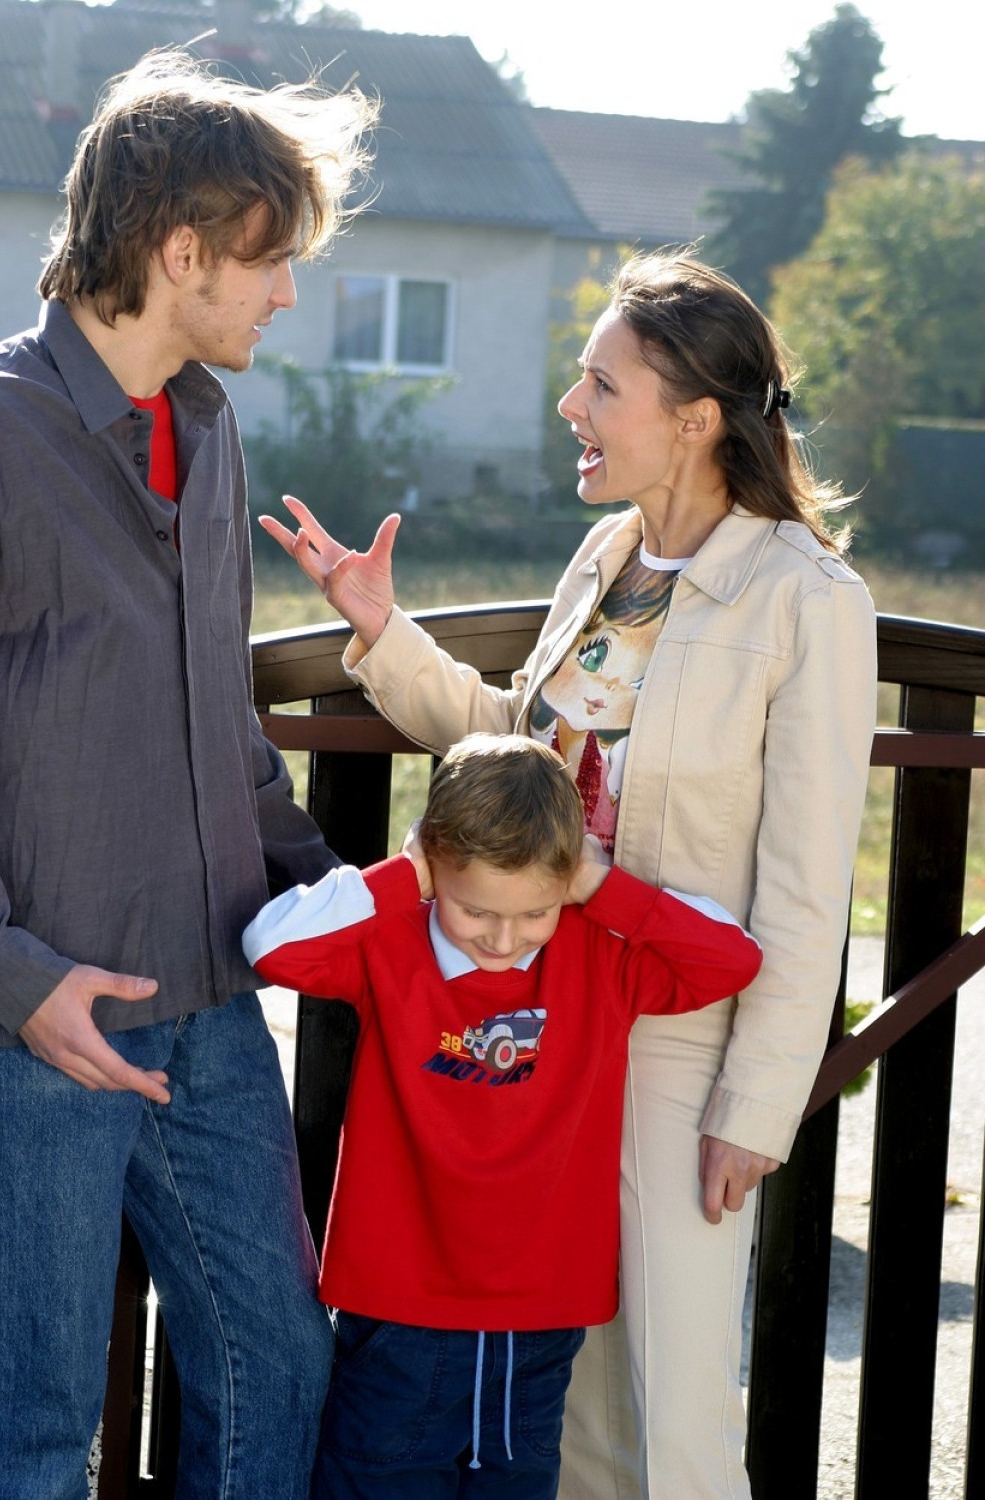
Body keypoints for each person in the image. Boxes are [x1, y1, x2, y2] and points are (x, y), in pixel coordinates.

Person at [258, 249, 879, 1498]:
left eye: (600, 383)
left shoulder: (809, 599)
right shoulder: (605, 557)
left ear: (694, 419)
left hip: (676, 1059)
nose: (570, 408)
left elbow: (811, 887)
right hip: (547, 1045)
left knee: (672, 1411)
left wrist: (755, 1109)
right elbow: (525, 760)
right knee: (578, 1421)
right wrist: (382, 634)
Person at [0, 49, 374, 1500]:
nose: (286, 295)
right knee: (27, 1435)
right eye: (273, 262)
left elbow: (216, 716)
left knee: (278, 1366)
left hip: (212, 1017)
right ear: (181, 247)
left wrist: (328, 888)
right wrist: (16, 982)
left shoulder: (206, 432)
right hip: (32, 1032)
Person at [242, 733, 763, 1498]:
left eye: (535, 913)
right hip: (400, 1311)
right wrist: (410, 871)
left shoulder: (602, 956)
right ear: (436, 867)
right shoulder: (388, 944)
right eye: (475, 908)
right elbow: (270, 945)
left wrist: (600, 885)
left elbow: (732, 959)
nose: (502, 937)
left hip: (541, 1317)